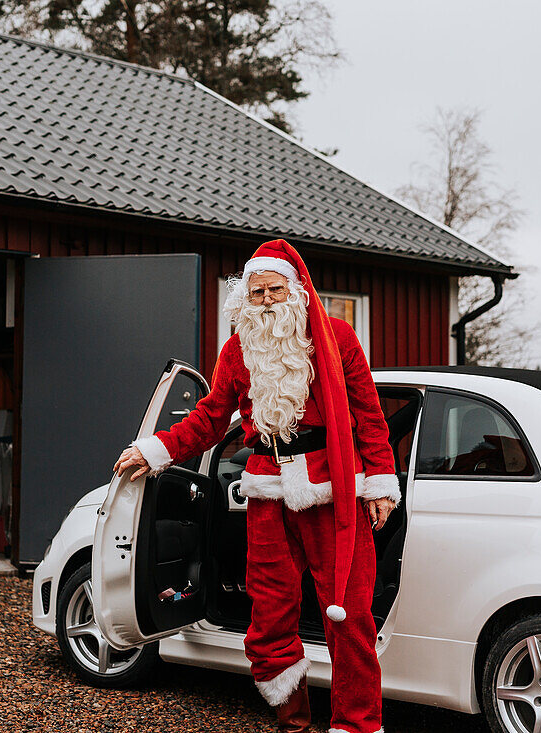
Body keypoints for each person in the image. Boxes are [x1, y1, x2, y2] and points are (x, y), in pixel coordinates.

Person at [114, 239, 400, 733]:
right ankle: (294, 722)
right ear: (245, 297)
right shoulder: (238, 348)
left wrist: (379, 481)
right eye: (257, 291)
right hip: (266, 491)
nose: (266, 299)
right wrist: (156, 449)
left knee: (349, 616)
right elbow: (207, 421)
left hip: (333, 489)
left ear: (296, 290)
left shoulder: (337, 337)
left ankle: (356, 724)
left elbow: (369, 415)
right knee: (267, 620)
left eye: (274, 289)